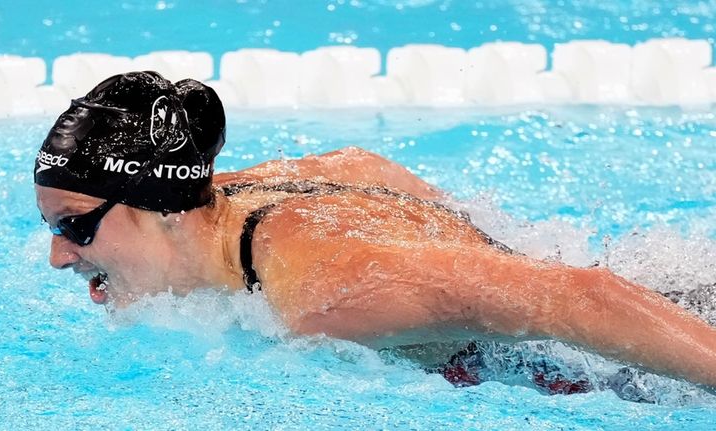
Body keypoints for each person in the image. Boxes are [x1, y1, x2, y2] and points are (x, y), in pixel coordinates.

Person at [35, 71, 716, 393]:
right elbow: (362, 164)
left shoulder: (321, 293)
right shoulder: (229, 195)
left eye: (74, 227)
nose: (58, 256)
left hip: (627, 359)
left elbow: (579, 297)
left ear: (157, 208)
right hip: (653, 287)